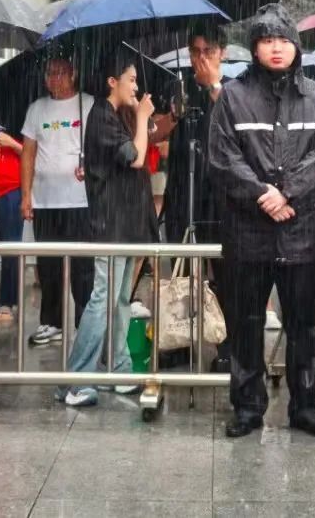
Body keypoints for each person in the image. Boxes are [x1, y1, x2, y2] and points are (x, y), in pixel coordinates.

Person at [209, 3, 315, 438]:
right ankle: (248, 408)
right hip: (248, 233)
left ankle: (305, 405)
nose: (276, 48)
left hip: (301, 231)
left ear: (297, 47)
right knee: (245, 322)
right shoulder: (233, 96)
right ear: (254, 48)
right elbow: (223, 156)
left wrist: (288, 192)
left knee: (304, 323)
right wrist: (263, 193)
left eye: (284, 40)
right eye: (267, 41)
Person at [58, 54, 158, 407]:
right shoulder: (101, 117)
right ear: (112, 82)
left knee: (119, 300)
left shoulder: (112, 116)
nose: (136, 86)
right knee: (102, 299)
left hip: (127, 225)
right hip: (111, 226)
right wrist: (143, 119)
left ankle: (119, 369)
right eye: (130, 79)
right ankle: (78, 379)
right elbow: (135, 157)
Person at [152, 26, 233, 370]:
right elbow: (155, 133)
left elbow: (235, 123)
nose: (200, 58)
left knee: (223, 269)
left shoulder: (234, 88)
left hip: (219, 193)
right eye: (195, 51)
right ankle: (180, 339)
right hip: (183, 188)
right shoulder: (178, 83)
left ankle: (228, 344)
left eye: (208, 51)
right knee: (182, 270)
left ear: (222, 53)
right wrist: (174, 115)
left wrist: (213, 85)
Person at [21, 57, 95, 346]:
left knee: (82, 267)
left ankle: (84, 323)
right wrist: (26, 194)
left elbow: (99, 144)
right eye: (50, 73)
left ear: (74, 74)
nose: (55, 79)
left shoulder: (88, 104)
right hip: (45, 201)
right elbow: (28, 152)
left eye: (61, 73)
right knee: (49, 266)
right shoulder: (37, 109)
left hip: (80, 200)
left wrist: (90, 165)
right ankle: (51, 322)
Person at [0, 131, 23, 321]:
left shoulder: (19, 126)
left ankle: (8, 300)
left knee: (10, 247)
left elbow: (33, 155)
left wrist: (12, 143)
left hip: (11, 191)